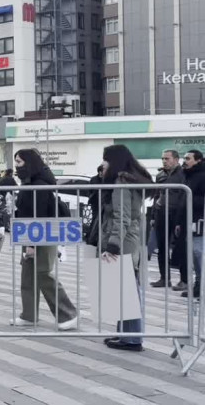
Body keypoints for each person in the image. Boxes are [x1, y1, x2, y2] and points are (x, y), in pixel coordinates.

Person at [11, 149, 78, 330]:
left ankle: (68, 314)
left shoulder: (39, 183)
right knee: (28, 275)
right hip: (31, 235)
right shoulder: (30, 181)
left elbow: (37, 215)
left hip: (41, 235)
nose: (16, 165)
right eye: (16, 161)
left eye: (19, 162)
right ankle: (29, 315)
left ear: (29, 162)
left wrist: (31, 244)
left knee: (42, 273)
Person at [99, 144, 152, 351]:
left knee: (128, 290)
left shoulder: (122, 181)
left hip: (124, 241)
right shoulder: (128, 177)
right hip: (129, 239)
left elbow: (122, 217)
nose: (103, 162)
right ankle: (125, 334)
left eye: (105, 159)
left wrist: (113, 245)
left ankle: (132, 338)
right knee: (124, 290)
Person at [150, 150, 184, 289]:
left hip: (176, 213)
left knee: (179, 247)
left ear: (176, 159)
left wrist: (181, 218)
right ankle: (164, 278)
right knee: (162, 246)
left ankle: (184, 280)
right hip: (161, 212)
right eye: (163, 158)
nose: (164, 161)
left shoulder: (182, 174)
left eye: (167, 158)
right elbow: (156, 195)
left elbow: (183, 195)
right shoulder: (160, 175)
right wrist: (153, 215)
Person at [175, 149, 205, 298]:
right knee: (193, 254)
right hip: (188, 221)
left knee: (198, 253)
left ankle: (200, 285)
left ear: (198, 160)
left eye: (188, 158)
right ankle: (198, 284)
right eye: (184, 158)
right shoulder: (187, 176)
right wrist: (179, 222)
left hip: (199, 221)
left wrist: (190, 198)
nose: (185, 161)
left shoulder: (202, 176)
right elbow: (182, 202)